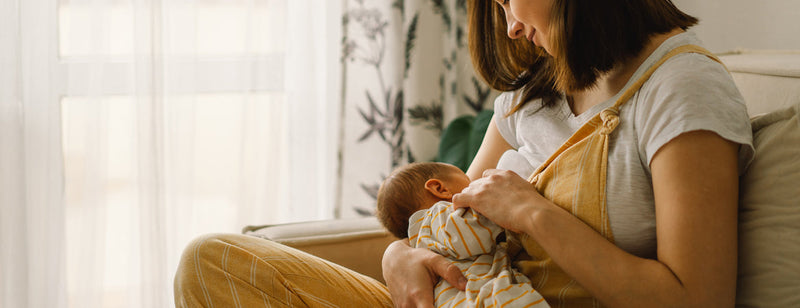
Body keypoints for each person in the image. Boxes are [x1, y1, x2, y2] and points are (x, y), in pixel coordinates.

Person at [174, 0, 754, 307]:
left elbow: (697, 300)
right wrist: (398, 257)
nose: (511, 27)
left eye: (509, 1)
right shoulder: (534, 89)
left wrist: (533, 214)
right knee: (213, 262)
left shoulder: (681, 88)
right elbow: (449, 220)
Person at [375, 162, 549, 308]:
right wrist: (503, 204)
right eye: (469, 181)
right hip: (478, 296)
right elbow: (470, 233)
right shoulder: (437, 217)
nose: (477, 184)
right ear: (440, 188)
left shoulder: (424, 240)